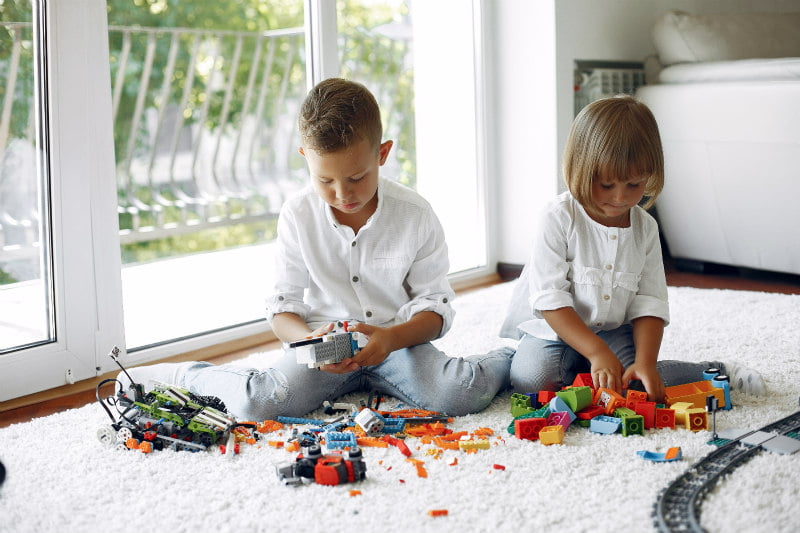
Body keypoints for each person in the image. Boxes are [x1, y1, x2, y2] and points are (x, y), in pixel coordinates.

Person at [120, 78, 513, 420]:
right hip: (321, 351)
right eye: (325, 180)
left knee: (458, 394)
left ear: (382, 154)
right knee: (260, 403)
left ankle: (514, 354)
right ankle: (182, 374)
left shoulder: (415, 214)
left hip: (397, 342)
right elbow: (282, 307)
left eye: (357, 177)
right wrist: (308, 342)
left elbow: (436, 306)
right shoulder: (297, 214)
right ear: (305, 158)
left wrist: (389, 339)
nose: (343, 194)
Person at [499, 95, 764, 402]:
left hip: (613, 330)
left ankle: (715, 370)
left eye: (634, 184)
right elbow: (550, 300)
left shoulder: (646, 229)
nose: (620, 198)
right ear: (579, 168)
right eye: (607, 185)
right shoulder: (557, 217)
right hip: (552, 329)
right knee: (531, 382)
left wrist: (646, 363)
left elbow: (649, 302)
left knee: (640, 386)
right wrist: (596, 352)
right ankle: (521, 362)